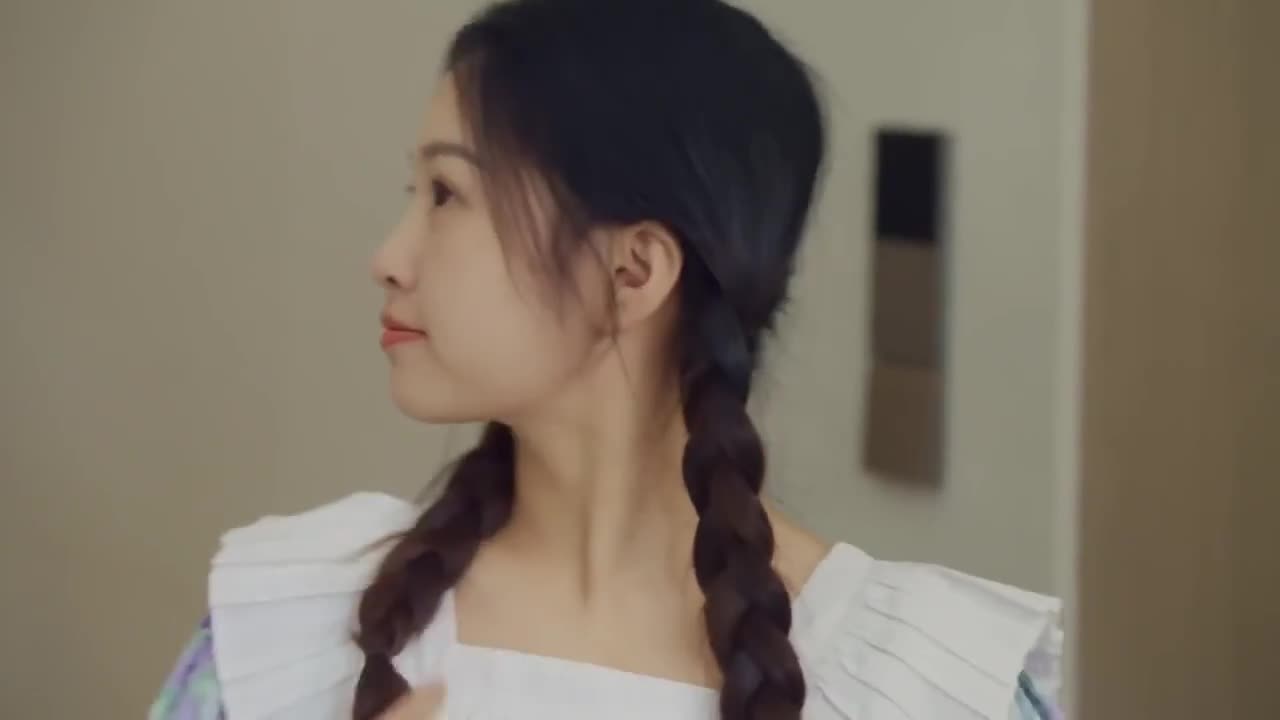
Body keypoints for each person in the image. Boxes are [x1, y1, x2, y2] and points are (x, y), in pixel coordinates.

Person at [150, 0, 1063, 718]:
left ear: (633, 271)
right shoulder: (296, 629)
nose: (388, 255)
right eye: (413, 192)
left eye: (447, 194)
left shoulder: (919, 686)